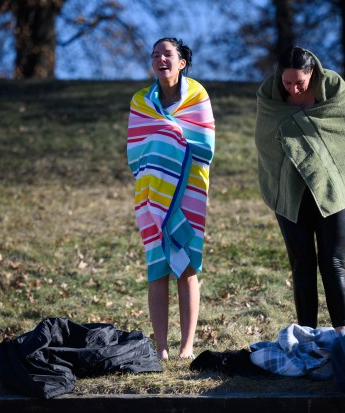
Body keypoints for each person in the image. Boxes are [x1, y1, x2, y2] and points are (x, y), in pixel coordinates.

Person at [254, 46, 345, 333]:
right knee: (302, 263)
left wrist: (305, 143)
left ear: (312, 71)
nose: (293, 87)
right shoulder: (270, 94)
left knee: (333, 260)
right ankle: (307, 335)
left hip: (332, 186)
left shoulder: (334, 88)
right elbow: (266, 141)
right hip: (290, 190)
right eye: (288, 82)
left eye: (299, 82)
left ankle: (342, 333)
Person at [126, 37, 216, 360]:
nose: (160, 59)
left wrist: (169, 137)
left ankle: (187, 347)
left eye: (167, 54)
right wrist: (168, 139)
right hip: (152, 195)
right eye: (155, 55)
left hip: (189, 190)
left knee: (187, 266)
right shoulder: (140, 101)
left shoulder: (197, 95)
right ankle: (161, 348)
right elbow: (135, 152)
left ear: (182, 62)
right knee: (157, 269)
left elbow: (205, 145)